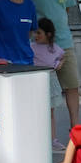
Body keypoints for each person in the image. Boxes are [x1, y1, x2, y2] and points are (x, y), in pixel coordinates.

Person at [24, 0, 81, 129]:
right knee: (42, 90)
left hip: (64, 42)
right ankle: (44, 129)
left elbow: (65, 9)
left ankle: (75, 126)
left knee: (72, 85)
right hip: (39, 45)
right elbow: (26, 10)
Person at [31, 17, 67, 149]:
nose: (36, 35)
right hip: (36, 81)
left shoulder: (54, 48)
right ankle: (38, 137)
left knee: (50, 112)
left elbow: (63, 56)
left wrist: (59, 64)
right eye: (35, 32)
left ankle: (52, 139)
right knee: (37, 112)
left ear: (48, 34)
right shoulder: (31, 47)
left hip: (50, 81)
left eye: (39, 33)